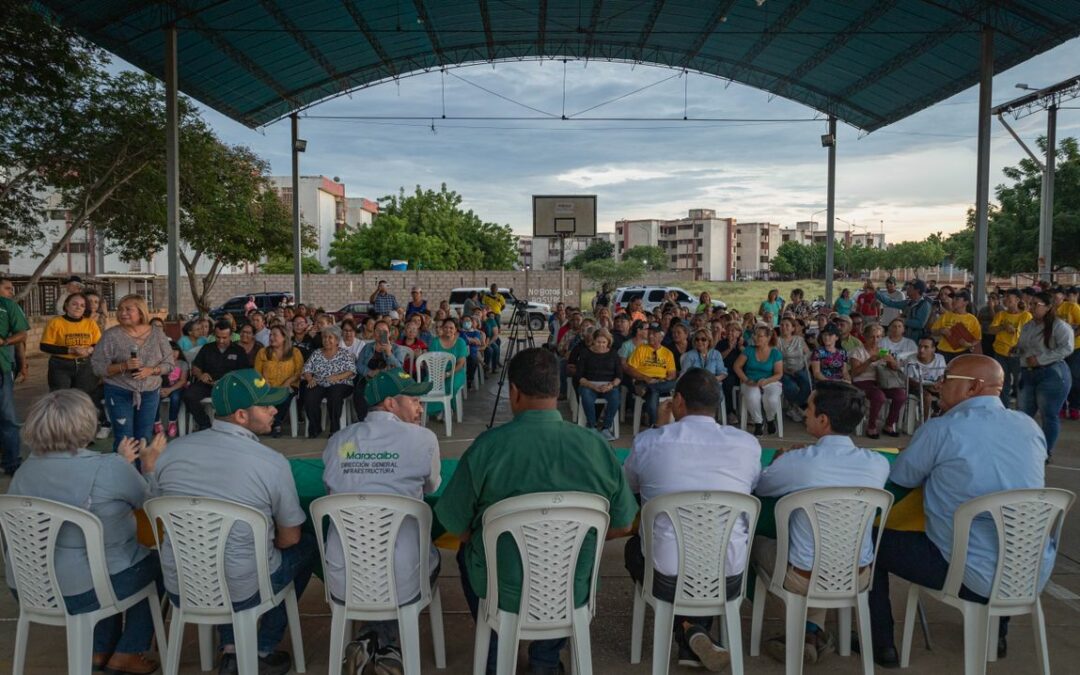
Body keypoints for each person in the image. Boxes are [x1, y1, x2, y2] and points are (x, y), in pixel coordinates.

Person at [434, 348, 637, 675]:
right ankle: (545, 661)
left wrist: (481, 539)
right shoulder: (596, 446)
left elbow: (455, 521)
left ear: (513, 392)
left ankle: (496, 653)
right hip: (570, 587)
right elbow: (624, 523)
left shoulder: (488, 446)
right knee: (579, 557)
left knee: (467, 552)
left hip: (504, 590)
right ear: (557, 391)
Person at [868, 355, 1053, 667]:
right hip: (1031, 573)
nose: (939, 386)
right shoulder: (1028, 426)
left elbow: (902, 479)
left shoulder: (943, 429)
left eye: (947, 379)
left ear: (974, 387)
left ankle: (881, 644)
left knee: (868, 541)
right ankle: (997, 633)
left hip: (966, 574)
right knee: (1011, 531)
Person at [153, 370, 316, 675]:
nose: (275, 410)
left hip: (182, 584)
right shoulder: (270, 462)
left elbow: (155, 504)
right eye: (266, 406)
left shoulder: (171, 452)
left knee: (224, 556)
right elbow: (290, 537)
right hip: (245, 588)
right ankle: (261, 646)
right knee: (305, 545)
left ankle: (230, 647)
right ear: (241, 415)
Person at [6, 390, 167, 675]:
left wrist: (119, 464)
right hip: (85, 590)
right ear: (86, 424)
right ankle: (128, 651)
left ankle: (100, 649)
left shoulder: (24, 471)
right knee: (161, 565)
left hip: (30, 587)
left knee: (103, 560)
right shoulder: (109, 468)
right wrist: (150, 467)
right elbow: (152, 506)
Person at [623, 368, 761, 671]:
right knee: (709, 544)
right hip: (728, 575)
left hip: (666, 577)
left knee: (636, 548)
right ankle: (692, 634)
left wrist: (658, 430)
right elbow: (752, 485)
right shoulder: (747, 444)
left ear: (678, 401)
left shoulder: (649, 442)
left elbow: (629, 486)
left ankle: (687, 629)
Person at [754, 381, 890, 664]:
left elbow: (763, 487)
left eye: (810, 408)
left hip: (802, 577)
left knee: (752, 542)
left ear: (823, 420)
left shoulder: (800, 461)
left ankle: (796, 631)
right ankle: (811, 631)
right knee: (826, 548)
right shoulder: (878, 464)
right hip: (858, 574)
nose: (805, 412)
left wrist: (779, 461)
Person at [321, 369, 438, 673]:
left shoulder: (341, 439)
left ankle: (371, 639)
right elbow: (431, 487)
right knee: (423, 556)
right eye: (414, 400)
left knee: (374, 562)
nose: (420, 407)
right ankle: (385, 644)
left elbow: (335, 482)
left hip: (344, 573)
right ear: (390, 403)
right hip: (403, 572)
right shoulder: (423, 438)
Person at [91, 295, 174, 453]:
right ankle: (123, 474)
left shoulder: (157, 334)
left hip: (150, 393)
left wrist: (152, 370)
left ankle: (141, 475)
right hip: (118, 392)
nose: (123, 313)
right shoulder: (111, 336)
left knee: (144, 438)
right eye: (120, 309)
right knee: (124, 439)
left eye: (128, 309)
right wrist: (123, 366)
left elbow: (169, 364)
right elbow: (97, 367)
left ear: (141, 312)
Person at [1016, 292, 1074, 458]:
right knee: (1024, 414)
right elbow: (1024, 346)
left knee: (1049, 414)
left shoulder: (1059, 326)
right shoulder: (1028, 325)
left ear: (1048, 307)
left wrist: (1041, 359)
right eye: (1031, 304)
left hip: (1052, 374)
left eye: (1035, 305)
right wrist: (1017, 350)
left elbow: (1067, 348)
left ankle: (1044, 452)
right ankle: (1024, 448)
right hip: (1027, 373)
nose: (1031, 308)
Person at [183, 319, 249, 431]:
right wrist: (201, 375)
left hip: (229, 386)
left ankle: (232, 427)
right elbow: (196, 367)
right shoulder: (207, 348)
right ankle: (205, 424)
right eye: (218, 337)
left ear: (231, 336)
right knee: (188, 395)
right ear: (214, 335)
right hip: (208, 384)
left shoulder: (239, 351)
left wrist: (230, 380)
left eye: (224, 337)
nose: (221, 340)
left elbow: (244, 373)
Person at [848, 323, 906, 438]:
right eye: (872, 337)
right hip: (862, 382)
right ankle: (871, 427)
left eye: (878, 337)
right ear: (865, 337)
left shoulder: (883, 351)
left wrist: (891, 362)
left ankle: (889, 425)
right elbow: (854, 373)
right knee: (879, 396)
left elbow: (895, 368)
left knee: (900, 395)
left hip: (882, 382)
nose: (875, 340)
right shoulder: (857, 351)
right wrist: (869, 361)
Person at [41, 292, 101, 396]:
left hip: (85, 365)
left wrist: (89, 350)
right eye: (74, 304)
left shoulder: (90, 323)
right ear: (66, 305)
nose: (78, 307)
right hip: (61, 365)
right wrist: (71, 350)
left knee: (84, 397)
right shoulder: (55, 322)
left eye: (82, 305)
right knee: (61, 398)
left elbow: (99, 344)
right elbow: (45, 346)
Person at [301, 325, 355, 438]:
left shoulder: (345, 353)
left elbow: (351, 371)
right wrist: (310, 379)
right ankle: (315, 428)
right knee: (309, 396)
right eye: (324, 337)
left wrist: (338, 377)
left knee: (335, 395)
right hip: (320, 382)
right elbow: (306, 369)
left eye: (330, 337)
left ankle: (334, 429)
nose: (326, 340)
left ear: (337, 340)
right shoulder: (316, 353)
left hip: (341, 383)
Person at [253, 325, 305, 438]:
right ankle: (271, 424)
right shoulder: (263, 352)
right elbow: (257, 372)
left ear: (284, 337)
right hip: (266, 385)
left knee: (285, 394)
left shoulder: (294, 352)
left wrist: (288, 382)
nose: (271, 337)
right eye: (270, 335)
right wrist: (264, 381)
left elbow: (300, 371)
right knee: (265, 395)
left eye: (275, 335)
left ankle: (275, 424)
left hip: (289, 385)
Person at [733, 325, 784, 436]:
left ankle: (770, 419)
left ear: (768, 338)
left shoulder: (775, 353)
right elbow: (737, 366)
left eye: (759, 336)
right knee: (752, 396)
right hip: (750, 381)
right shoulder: (749, 350)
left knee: (772, 399)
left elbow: (779, 374)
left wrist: (766, 381)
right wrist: (746, 380)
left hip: (770, 381)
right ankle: (758, 422)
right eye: (755, 335)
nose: (755, 338)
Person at [625, 325, 678, 429]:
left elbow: (672, 373)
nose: (650, 337)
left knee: (674, 383)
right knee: (654, 393)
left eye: (654, 334)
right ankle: (655, 425)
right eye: (649, 334)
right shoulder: (640, 349)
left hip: (661, 382)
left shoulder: (667, 353)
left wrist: (665, 379)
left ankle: (654, 426)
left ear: (661, 338)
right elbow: (630, 369)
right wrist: (645, 378)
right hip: (643, 381)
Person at [986, 289, 1031, 407]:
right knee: (1003, 382)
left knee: (1019, 382)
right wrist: (1003, 327)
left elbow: (1029, 335)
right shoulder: (1001, 315)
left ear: (1017, 300)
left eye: (1008, 298)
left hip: (1017, 354)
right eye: (1005, 297)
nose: (1006, 300)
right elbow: (991, 330)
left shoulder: (1026, 316)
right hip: (1000, 352)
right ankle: (1004, 408)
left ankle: (1022, 409)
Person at [575, 328, 622, 439]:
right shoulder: (585, 353)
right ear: (593, 341)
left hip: (608, 385)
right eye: (598, 342)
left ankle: (606, 427)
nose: (601, 345)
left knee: (615, 396)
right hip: (589, 385)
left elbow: (619, 376)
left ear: (608, 342)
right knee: (586, 395)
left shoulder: (613, 354)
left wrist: (611, 385)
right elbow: (579, 376)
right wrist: (592, 386)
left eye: (604, 342)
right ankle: (592, 425)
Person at [424, 318, 467, 416]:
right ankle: (439, 410)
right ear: (442, 328)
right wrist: (438, 373)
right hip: (437, 371)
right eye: (446, 327)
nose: (448, 330)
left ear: (456, 329)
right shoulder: (435, 342)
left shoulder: (460, 342)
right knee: (428, 385)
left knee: (451, 385)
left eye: (451, 328)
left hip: (455, 371)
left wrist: (448, 374)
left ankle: (448, 408)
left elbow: (460, 363)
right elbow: (431, 361)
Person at [930, 290, 981, 362]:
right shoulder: (945, 315)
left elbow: (977, 339)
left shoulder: (972, 319)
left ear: (965, 302)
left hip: (962, 353)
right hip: (943, 352)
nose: (953, 301)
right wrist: (940, 331)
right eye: (953, 298)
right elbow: (933, 331)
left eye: (957, 299)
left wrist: (969, 345)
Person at [904, 336, 946, 422]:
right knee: (927, 397)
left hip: (934, 385)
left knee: (948, 394)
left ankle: (938, 416)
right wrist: (923, 386)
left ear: (933, 349)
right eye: (920, 346)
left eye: (926, 347)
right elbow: (908, 379)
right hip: (915, 386)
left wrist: (938, 384)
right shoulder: (911, 359)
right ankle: (925, 423)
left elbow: (942, 375)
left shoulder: (939, 358)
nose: (921, 350)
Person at [777, 317, 811, 420]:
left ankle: (794, 407)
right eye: (782, 325)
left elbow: (808, 354)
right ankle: (798, 409)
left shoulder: (799, 340)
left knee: (807, 384)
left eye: (787, 325)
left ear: (793, 328)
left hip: (800, 368)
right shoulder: (777, 341)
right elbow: (775, 359)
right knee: (790, 386)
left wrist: (806, 367)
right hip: (784, 370)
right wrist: (785, 370)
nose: (784, 327)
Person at [681, 328, 728, 397]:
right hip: (695, 385)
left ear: (709, 341)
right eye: (697, 339)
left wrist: (711, 380)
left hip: (712, 385)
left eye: (703, 339)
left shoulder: (716, 354)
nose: (699, 342)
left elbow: (723, 373)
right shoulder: (690, 355)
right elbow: (684, 374)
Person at [1056, 286, 1080, 419]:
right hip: (1059, 349)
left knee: (1075, 378)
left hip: (1075, 348)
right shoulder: (1054, 309)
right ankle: (1061, 406)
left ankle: (1074, 407)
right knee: (1060, 379)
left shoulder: (1073, 307)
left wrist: (1073, 335)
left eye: (1057, 296)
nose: (1055, 299)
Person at [157, 341, 189, 438]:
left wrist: (170, 390)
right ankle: (156, 423)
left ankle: (172, 423)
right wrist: (160, 389)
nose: (173, 353)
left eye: (176, 351)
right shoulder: (160, 364)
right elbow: (155, 380)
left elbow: (183, 381)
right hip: (161, 387)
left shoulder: (182, 364)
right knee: (153, 397)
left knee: (175, 397)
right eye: (169, 351)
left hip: (176, 388)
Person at [460, 315, 486, 389]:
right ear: (462, 322)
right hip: (462, 353)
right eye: (465, 321)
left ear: (471, 322)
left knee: (473, 360)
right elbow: (462, 341)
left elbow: (477, 342)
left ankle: (469, 379)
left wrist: (466, 339)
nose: (467, 322)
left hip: (472, 353)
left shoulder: (476, 332)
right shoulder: (460, 332)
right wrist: (472, 340)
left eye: (468, 321)